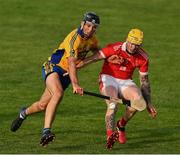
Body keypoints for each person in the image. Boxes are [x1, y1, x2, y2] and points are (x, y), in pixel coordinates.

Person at [10, 12, 100, 147]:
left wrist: (112, 58)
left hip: (65, 75)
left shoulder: (93, 40)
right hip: (53, 67)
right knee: (58, 93)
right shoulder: (74, 39)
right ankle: (46, 131)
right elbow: (71, 63)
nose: (90, 29)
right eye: (88, 25)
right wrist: (75, 84)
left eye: (94, 27)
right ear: (82, 24)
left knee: (42, 105)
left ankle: (23, 113)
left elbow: (99, 52)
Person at [77, 28, 157, 149]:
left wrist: (149, 103)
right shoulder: (114, 48)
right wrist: (74, 68)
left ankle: (121, 125)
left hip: (126, 81)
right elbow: (93, 58)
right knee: (112, 104)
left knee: (139, 101)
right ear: (127, 39)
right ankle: (110, 135)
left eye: (137, 45)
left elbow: (144, 83)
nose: (134, 47)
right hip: (108, 78)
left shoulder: (143, 57)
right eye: (132, 43)